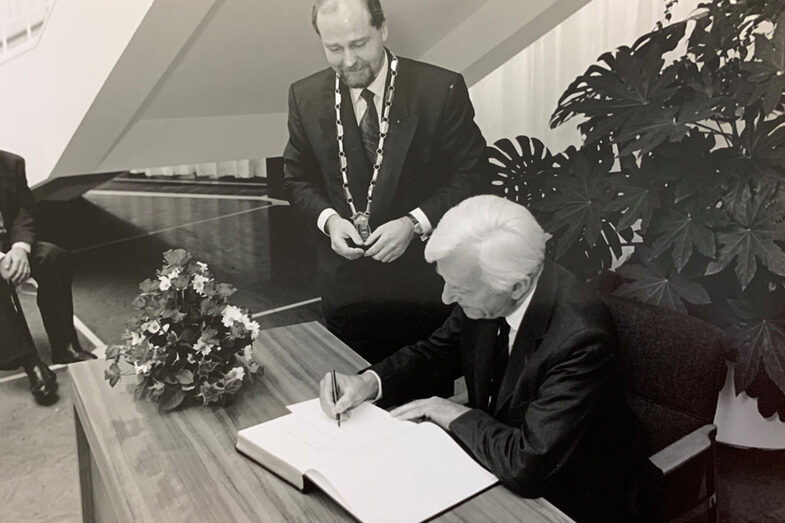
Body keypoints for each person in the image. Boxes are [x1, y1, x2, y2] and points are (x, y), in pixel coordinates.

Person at [319, 195, 637, 522]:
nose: (446, 298)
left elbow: (530, 463)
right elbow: (436, 352)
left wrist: (444, 409)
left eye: (460, 290)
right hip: (492, 459)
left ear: (518, 286)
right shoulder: (488, 285)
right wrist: (368, 381)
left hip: (565, 499)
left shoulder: (580, 339)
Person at [283, 0, 489, 363]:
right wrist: (330, 221)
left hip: (420, 290)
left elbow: (473, 176)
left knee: (421, 404)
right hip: (345, 293)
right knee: (355, 400)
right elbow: (297, 179)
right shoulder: (304, 96)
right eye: (334, 48)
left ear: (383, 30)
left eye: (359, 43)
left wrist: (414, 223)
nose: (348, 61)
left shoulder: (440, 89)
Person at [0, 150, 95, 399]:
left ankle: (65, 346)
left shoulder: (12, 163)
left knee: (54, 257)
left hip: (11, 242)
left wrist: (20, 248)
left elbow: (24, 211)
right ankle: (30, 361)